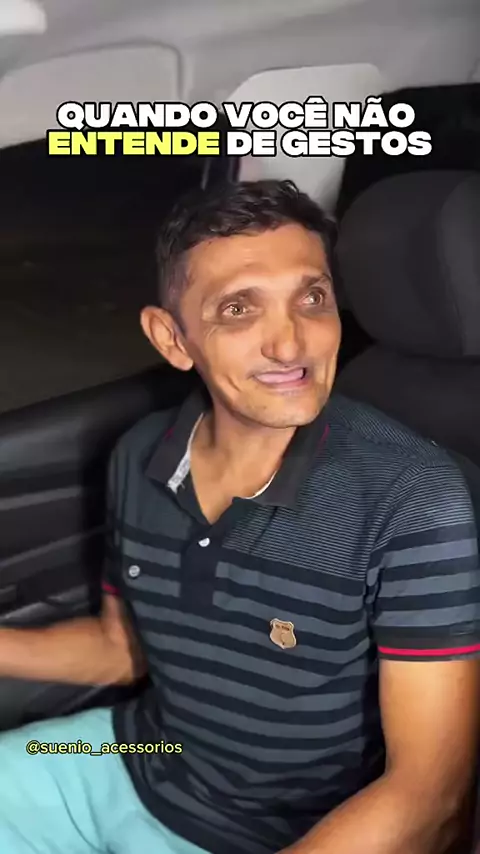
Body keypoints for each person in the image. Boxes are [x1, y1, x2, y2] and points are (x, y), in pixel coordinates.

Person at [0, 179, 479, 854]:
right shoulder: (141, 455)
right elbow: (120, 648)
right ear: (173, 338)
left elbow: (428, 798)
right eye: (238, 309)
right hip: (136, 756)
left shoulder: (414, 498)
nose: (291, 345)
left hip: (287, 833)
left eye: (312, 298)